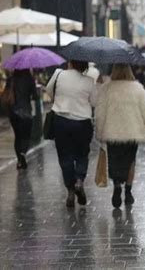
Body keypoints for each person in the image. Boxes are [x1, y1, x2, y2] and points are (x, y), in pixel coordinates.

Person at [95, 64, 145, 208]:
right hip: (132, 132)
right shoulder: (137, 89)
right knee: (131, 161)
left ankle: (117, 185)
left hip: (112, 132)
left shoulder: (106, 89)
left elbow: (99, 113)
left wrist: (99, 132)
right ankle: (128, 191)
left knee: (114, 160)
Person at [46, 61, 98, 208]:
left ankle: (70, 189)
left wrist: (59, 100)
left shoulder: (58, 74)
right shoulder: (89, 81)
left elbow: (49, 90)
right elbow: (94, 101)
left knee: (65, 156)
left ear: (70, 62)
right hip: (82, 122)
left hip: (61, 120)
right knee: (82, 154)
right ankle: (79, 181)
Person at [6, 69, 38, 169]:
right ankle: (23, 153)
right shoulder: (29, 79)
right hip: (26, 112)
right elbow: (35, 96)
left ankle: (19, 160)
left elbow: (6, 93)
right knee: (26, 136)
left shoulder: (11, 79)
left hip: (13, 112)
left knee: (18, 136)